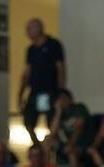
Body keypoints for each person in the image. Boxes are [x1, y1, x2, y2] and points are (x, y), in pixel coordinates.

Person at [20, 18, 65, 146]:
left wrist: (60, 90)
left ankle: (49, 148)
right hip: (34, 90)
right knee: (28, 122)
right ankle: (38, 147)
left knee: (51, 122)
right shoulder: (31, 50)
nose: (27, 32)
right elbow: (27, 71)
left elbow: (60, 68)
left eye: (30, 29)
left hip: (48, 90)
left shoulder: (53, 45)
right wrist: (21, 93)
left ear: (39, 28)